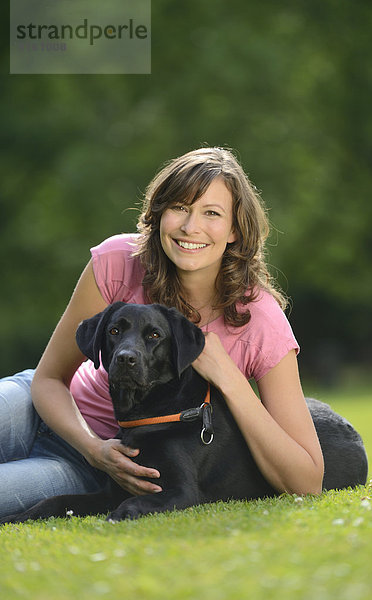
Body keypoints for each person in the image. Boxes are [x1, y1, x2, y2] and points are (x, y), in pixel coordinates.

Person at [0, 147, 324, 519]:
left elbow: (308, 480)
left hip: (99, 465)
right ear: (159, 214)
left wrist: (228, 377)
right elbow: (48, 378)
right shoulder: (119, 260)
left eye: (212, 213)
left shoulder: (259, 320)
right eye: (180, 208)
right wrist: (92, 446)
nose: (191, 227)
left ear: (235, 229)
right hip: (39, 410)